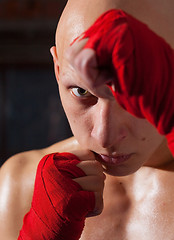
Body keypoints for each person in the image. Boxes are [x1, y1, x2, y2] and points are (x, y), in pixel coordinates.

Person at [0, 0, 174, 239]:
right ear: (57, 70)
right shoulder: (18, 185)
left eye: (135, 91)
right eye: (82, 92)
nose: (105, 135)